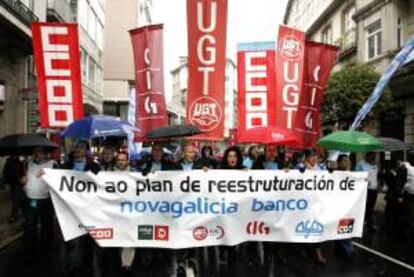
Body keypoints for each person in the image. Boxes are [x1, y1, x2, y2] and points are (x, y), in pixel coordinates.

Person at [59, 140, 101, 276]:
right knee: (72, 241)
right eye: (76, 146)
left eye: (81, 147)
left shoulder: (94, 167)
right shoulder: (65, 166)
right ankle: (72, 268)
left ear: (86, 151)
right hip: (69, 209)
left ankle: (87, 267)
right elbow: (54, 179)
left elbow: (101, 185)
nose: (78, 149)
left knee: (88, 241)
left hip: (88, 210)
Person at [20, 147, 55, 259]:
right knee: (30, 226)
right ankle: (30, 251)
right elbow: (22, 179)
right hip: (31, 200)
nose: (37, 153)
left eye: (40, 151)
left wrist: (48, 175)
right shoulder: (28, 163)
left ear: (45, 152)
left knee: (47, 226)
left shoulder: (52, 164)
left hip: (45, 200)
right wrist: (22, 180)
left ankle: (46, 249)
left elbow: (57, 181)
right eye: (35, 151)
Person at [294, 149, 327, 264]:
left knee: (317, 226)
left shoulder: (321, 168)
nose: (315, 158)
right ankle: (302, 247)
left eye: (316, 156)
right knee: (303, 226)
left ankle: (318, 253)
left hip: (317, 204)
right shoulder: (300, 167)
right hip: (303, 204)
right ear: (306, 158)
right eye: (312, 156)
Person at [335, 154, 355, 260]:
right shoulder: (335, 174)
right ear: (338, 163)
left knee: (346, 226)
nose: (347, 162)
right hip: (338, 206)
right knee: (343, 226)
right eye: (344, 161)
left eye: (348, 160)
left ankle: (345, 247)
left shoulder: (351, 174)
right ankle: (347, 248)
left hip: (349, 206)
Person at [356, 152, 379, 230]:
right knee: (366, 207)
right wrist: (363, 179)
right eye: (372, 154)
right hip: (365, 189)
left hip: (374, 190)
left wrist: (378, 184)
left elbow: (376, 176)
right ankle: (369, 224)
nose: (373, 156)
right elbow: (356, 176)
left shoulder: (375, 165)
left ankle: (367, 221)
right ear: (367, 155)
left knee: (371, 207)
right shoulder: (361, 164)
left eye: (374, 155)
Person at [2, 155, 25, 223]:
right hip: (13, 183)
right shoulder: (9, 162)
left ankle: (14, 216)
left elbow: (23, 172)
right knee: (18, 199)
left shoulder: (20, 162)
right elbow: (5, 173)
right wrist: (5, 182)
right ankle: (22, 212)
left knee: (17, 199)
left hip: (19, 184)